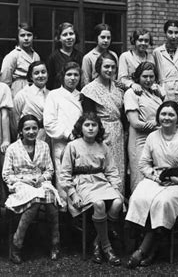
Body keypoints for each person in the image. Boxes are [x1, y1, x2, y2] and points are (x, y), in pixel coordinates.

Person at [126, 101, 178, 268]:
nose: (167, 118)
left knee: (162, 202)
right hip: (157, 179)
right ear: (158, 116)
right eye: (163, 114)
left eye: (171, 114)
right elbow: (144, 163)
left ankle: (146, 250)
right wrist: (155, 176)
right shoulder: (152, 136)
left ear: (177, 118)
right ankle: (150, 240)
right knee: (138, 196)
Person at [60, 112, 123, 266]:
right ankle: (107, 248)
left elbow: (112, 170)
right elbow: (65, 174)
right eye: (87, 125)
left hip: (101, 181)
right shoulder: (72, 146)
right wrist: (72, 194)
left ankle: (97, 243)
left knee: (118, 202)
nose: (90, 128)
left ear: (98, 128)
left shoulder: (103, 146)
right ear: (80, 128)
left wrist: (116, 188)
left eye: (94, 125)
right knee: (99, 204)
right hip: (82, 183)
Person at [3, 115, 62, 264]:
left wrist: (42, 178)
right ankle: (17, 243)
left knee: (50, 198)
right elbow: (7, 174)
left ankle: (55, 241)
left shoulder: (44, 146)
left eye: (34, 128)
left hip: (40, 182)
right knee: (34, 201)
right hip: (20, 184)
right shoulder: (12, 148)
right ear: (21, 131)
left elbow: (49, 170)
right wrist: (24, 180)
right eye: (27, 128)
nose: (31, 131)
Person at [81, 53, 125, 192]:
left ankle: (118, 203)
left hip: (118, 132)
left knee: (118, 167)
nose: (110, 70)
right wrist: (96, 135)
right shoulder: (90, 90)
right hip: (100, 133)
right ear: (99, 67)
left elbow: (122, 112)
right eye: (106, 66)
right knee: (102, 167)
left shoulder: (118, 88)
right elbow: (89, 116)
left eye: (113, 67)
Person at [43, 61, 83, 202]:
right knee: (63, 178)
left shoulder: (81, 96)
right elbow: (49, 123)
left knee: (80, 179)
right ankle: (64, 212)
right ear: (62, 76)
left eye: (76, 75)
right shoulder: (54, 95)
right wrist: (67, 134)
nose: (72, 78)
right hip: (62, 143)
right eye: (69, 74)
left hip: (81, 143)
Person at [124, 62, 162, 191]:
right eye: (145, 76)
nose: (148, 80)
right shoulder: (132, 93)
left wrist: (157, 123)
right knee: (139, 176)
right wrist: (155, 124)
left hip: (155, 140)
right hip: (139, 141)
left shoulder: (155, 93)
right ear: (138, 77)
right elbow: (135, 122)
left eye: (151, 76)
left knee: (154, 177)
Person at [153, 20, 178, 101]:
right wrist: (159, 89)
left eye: (176, 32)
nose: (173, 36)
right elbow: (153, 73)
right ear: (165, 33)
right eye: (170, 32)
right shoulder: (157, 52)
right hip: (164, 90)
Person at [0, 23, 41, 98]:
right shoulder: (13, 56)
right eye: (22, 35)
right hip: (18, 89)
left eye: (29, 35)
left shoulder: (36, 55)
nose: (26, 38)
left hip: (34, 88)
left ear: (33, 36)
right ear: (17, 37)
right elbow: (5, 80)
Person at [13, 61, 50, 141]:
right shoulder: (22, 95)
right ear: (31, 77)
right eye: (36, 73)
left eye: (43, 72)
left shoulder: (51, 95)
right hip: (27, 137)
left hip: (48, 137)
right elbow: (15, 120)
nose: (40, 75)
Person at [46, 22, 83, 91]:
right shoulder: (53, 58)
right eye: (65, 35)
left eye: (71, 34)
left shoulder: (81, 57)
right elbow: (49, 82)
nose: (69, 37)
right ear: (59, 38)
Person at [81, 23, 119, 88]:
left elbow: (115, 77)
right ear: (96, 37)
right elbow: (85, 82)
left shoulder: (113, 55)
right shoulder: (88, 57)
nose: (106, 40)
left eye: (108, 38)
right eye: (103, 37)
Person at [118, 29, 155, 93]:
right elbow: (122, 79)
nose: (143, 43)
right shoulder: (125, 56)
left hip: (148, 93)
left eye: (146, 41)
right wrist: (132, 84)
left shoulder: (150, 57)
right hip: (131, 92)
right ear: (134, 41)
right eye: (140, 40)